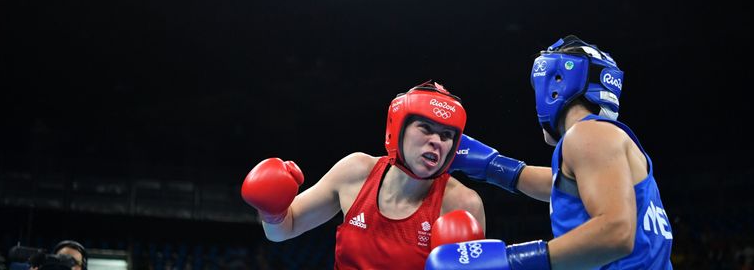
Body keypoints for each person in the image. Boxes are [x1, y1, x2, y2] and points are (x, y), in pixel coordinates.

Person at [428, 35, 673, 269]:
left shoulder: (588, 135)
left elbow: (617, 231)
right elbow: (560, 186)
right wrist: (490, 166)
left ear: (557, 82)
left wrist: (509, 260)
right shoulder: (602, 140)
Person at [240, 80, 486, 269]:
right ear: (398, 129)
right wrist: (272, 211)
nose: (436, 141)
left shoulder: (461, 204)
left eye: (446, 135)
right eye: (426, 128)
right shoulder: (355, 172)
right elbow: (283, 230)